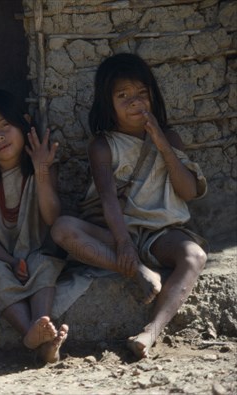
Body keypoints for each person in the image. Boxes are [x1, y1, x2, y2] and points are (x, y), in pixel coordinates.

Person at [51, 53, 208, 359]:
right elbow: (108, 197)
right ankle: (138, 271)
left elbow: (187, 191)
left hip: (161, 234)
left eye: (141, 94)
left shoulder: (170, 137)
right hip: (119, 232)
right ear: (108, 104)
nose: (134, 102)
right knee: (62, 228)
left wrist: (162, 143)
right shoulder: (103, 145)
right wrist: (124, 245)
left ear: (153, 97)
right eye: (123, 96)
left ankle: (151, 331)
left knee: (195, 255)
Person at [0, 89, 68, 363]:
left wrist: (42, 170)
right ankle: (29, 332)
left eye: (5, 126)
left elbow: (52, 217)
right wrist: (9, 261)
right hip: (0, 257)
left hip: (37, 249)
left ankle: (42, 325)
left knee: (45, 264)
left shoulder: (42, 166)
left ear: (23, 124)